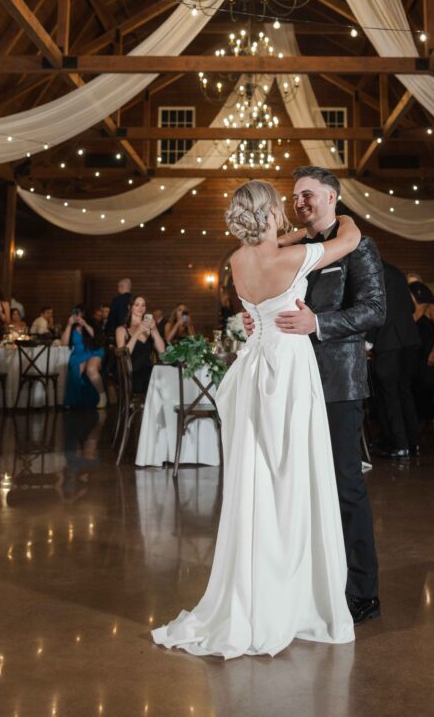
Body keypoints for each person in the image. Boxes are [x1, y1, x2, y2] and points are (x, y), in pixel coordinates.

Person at [152, 178, 363, 658]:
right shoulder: (291, 259)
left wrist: (286, 236)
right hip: (288, 369)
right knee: (296, 479)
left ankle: (256, 591)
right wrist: (339, 214)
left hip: (253, 367)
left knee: (257, 483)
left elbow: (266, 265)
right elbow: (347, 240)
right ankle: (296, 596)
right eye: (279, 212)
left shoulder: (237, 261)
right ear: (269, 214)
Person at [275, 166, 385, 625]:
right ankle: (311, 581)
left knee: (344, 485)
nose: (300, 202)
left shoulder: (358, 245)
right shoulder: (298, 249)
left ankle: (362, 590)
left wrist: (318, 324)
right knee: (299, 484)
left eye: (309, 195)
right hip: (293, 381)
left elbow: (375, 310)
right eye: (296, 196)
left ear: (332, 198)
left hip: (339, 383)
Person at [370, 263, 422, 459]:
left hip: (388, 340)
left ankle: (399, 444)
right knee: (404, 391)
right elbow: (410, 307)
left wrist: (369, 340)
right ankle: (413, 442)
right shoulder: (397, 271)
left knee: (389, 394)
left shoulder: (372, 271)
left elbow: (374, 307)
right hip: (409, 338)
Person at [407, 273, 434, 420]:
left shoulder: (430, 307)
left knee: (425, 386)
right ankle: (415, 420)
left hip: (426, 352)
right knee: (413, 386)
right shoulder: (408, 310)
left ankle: (427, 420)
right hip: (412, 353)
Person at [115, 296, 165, 394]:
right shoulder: (122, 329)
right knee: (150, 382)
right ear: (130, 307)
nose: (140, 308)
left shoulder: (150, 328)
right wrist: (138, 331)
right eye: (137, 305)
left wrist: (154, 329)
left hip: (148, 370)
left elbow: (162, 351)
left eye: (143, 305)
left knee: (163, 378)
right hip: (130, 372)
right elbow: (123, 355)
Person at [61, 306, 106, 408]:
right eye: (75, 312)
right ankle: (75, 400)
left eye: (79, 313)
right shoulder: (71, 327)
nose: (77, 315)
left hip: (94, 351)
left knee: (90, 370)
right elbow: (64, 344)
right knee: (76, 367)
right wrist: (68, 325)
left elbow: (97, 337)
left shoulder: (92, 323)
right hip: (79, 353)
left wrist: (85, 324)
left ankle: (102, 396)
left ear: (84, 314)